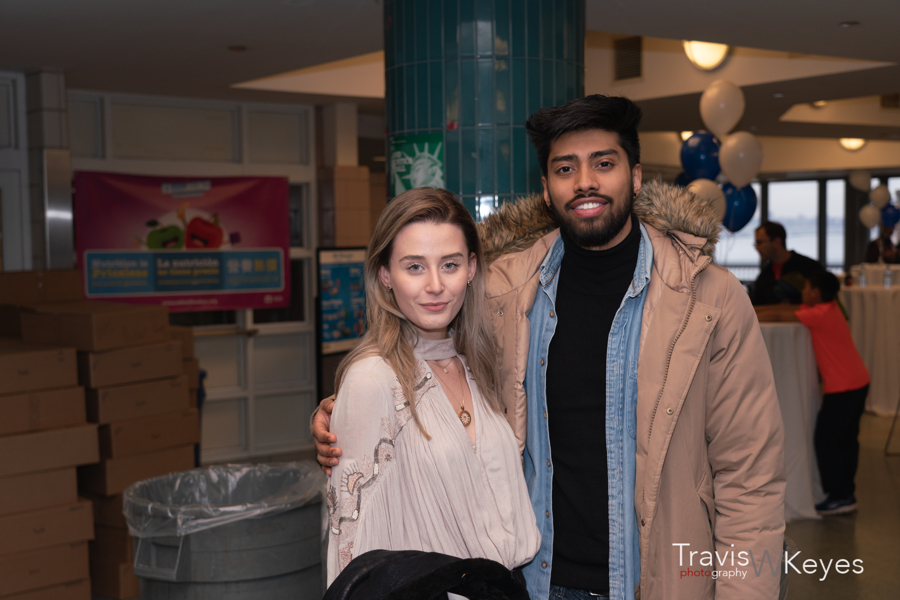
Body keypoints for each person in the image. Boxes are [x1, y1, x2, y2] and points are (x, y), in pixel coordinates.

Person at [315, 95, 786, 600]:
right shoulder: (502, 293)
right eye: (565, 168)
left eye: (603, 163)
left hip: (658, 583)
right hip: (533, 584)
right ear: (546, 188)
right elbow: (423, 356)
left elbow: (750, 477)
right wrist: (349, 409)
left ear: (635, 176)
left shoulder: (708, 300)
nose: (584, 182)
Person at [323, 187, 540, 588]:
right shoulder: (372, 378)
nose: (436, 285)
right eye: (415, 267)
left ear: (471, 269)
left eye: (450, 264)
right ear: (385, 275)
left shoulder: (476, 363)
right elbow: (348, 548)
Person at [761, 271, 869, 515]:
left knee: (827, 440)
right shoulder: (830, 309)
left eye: (807, 287)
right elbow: (786, 310)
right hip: (858, 382)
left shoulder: (818, 315)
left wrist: (747, 312)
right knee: (846, 440)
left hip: (843, 388)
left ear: (816, 293)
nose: (803, 291)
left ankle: (840, 495)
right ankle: (846, 493)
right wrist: (756, 308)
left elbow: (780, 315)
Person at [750, 221, 821, 305]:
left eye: (759, 243)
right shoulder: (764, 276)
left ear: (777, 242)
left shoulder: (809, 267)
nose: (757, 248)